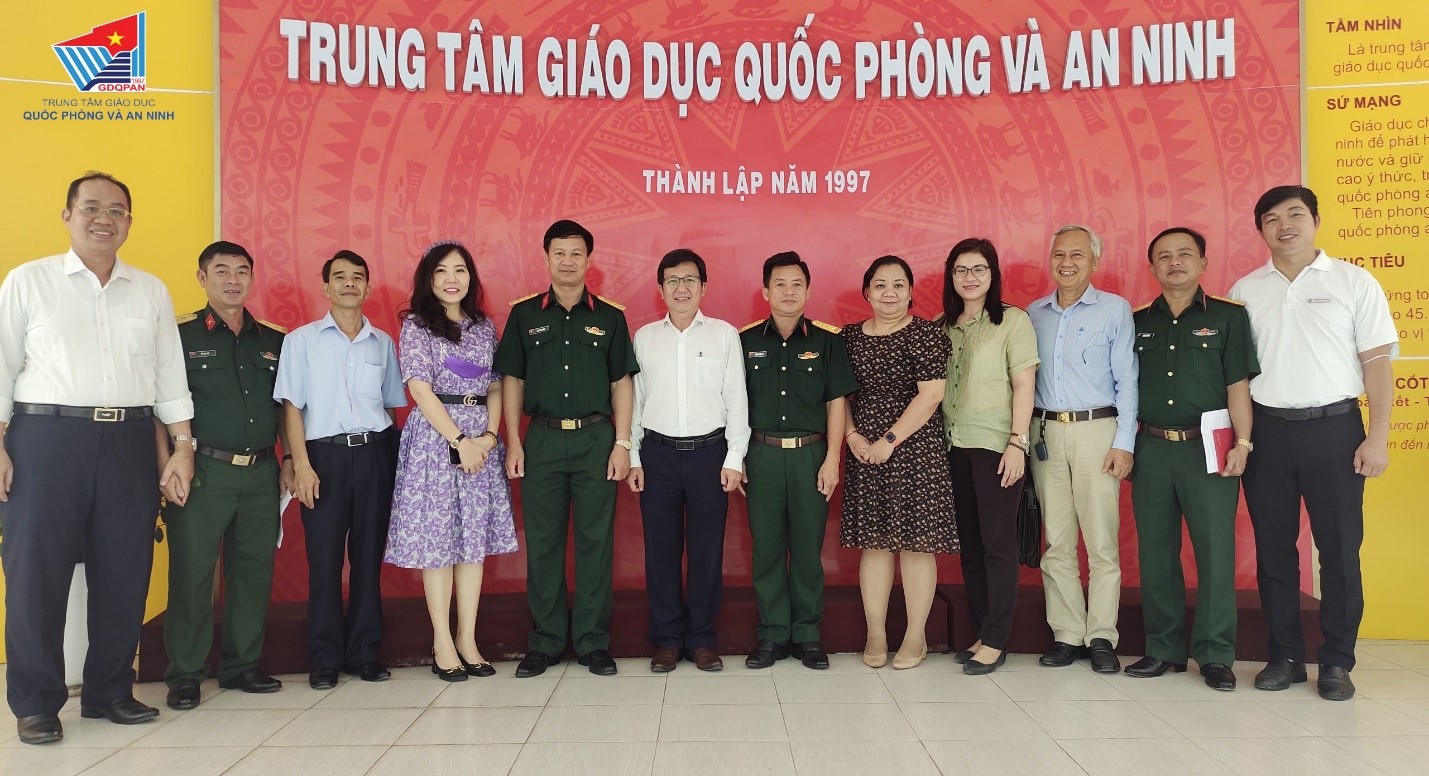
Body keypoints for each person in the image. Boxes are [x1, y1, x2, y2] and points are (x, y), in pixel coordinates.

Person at [0, 172, 194, 744]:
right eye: (91, 208)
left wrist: (182, 448)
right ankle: (36, 703)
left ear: (129, 222)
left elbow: (169, 376)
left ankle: (109, 691)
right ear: (67, 215)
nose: (103, 219)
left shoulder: (149, 290)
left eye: (116, 210)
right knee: (36, 573)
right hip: (46, 438)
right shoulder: (29, 281)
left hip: (130, 440)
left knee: (125, 568)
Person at [1229, 185, 1397, 701]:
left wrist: (1378, 437)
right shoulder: (1245, 290)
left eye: (1295, 215)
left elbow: (1377, 364)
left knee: (1340, 550)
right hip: (1267, 432)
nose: (1285, 226)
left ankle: (1337, 661)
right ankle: (1284, 655)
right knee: (1274, 550)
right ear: (1260, 230)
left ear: (1316, 220)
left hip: (1335, 430)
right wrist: (1243, 440)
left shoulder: (1353, 281)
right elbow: (1236, 376)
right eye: (1272, 219)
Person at [494, 220, 639, 678]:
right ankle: (546, 641)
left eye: (576, 253)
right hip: (543, 439)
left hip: (597, 439)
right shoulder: (524, 315)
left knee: (596, 543)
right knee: (543, 543)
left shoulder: (610, 317)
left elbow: (621, 382)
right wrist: (514, 441)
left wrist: (622, 443)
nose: (568, 261)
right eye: (559, 253)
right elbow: (512, 380)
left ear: (589, 260)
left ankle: (593, 641)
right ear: (546, 258)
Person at [1126, 227, 1258, 692]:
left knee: (1215, 551)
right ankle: (1163, 649)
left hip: (1210, 449)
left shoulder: (1228, 316)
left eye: (1185, 254)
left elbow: (1238, 386)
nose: (1175, 262)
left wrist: (1244, 443)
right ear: (1152, 268)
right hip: (1151, 448)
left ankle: (1215, 654)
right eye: (1164, 256)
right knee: (1156, 552)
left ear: (1203, 262)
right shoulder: (1136, 321)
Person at [164, 241, 292, 710]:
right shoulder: (178, 335)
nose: (232, 280)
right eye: (221, 271)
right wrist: (167, 463)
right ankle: (185, 673)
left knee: (253, 572)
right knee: (193, 573)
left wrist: (289, 460)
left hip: (260, 472)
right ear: (202, 278)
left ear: (252, 278)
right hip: (203, 471)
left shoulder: (274, 340)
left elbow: (287, 405)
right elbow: (161, 405)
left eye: (241, 270)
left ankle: (242, 666)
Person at [384, 241, 518, 681]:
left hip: (481, 442)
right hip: (436, 440)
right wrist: (459, 440)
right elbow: (419, 390)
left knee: (472, 542)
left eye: (459, 270)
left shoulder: (484, 326)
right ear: (429, 278)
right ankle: (442, 641)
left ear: (470, 277)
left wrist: (488, 437)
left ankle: (468, 639)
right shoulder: (417, 326)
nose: (451, 279)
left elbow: (495, 385)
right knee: (439, 543)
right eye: (441, 271)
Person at [273, 250, 405, 690]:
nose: (350, 284)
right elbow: (291, 408)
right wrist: (301, 464)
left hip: (373, 456)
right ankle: (325, 658)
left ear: (367, 287)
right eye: (340, 277)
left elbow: (390, 407)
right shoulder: (301, 341)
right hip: (322, 459)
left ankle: (365, 653)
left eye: (358, 277)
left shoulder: (382, 343)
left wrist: (390, 466)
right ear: (326, 286)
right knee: (325, 563)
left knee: (368, 559)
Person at [626, 249, 749, 673]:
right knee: (660, 552)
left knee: (706, 551)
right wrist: (634, 455)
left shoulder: (723, 335)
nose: (682, 288)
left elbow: (737, 400)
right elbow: (635, 401)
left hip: (709, 456)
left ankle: (701, 638)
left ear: (704, 287)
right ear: (660, 289)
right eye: (673, 280)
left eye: (690, 279)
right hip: (657, 457)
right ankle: (667, 639)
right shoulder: (645, 338)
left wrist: (734, 458)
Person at [1026, 224, 1138, 673]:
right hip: (1046, 433)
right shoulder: (1033, 313)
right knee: (1056, 540)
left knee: (1101, 541)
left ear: (1094, 261)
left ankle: (1102, 636)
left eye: (1077, 255)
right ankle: (1067, 634)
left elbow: (1128, 380)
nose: (1066, 263)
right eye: (1059, 254)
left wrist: (1124, 443)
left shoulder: (1114, 309)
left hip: (1098, 431)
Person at [740, 252, 858, 670]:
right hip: (761, 455)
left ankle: (807, 634)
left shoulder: (828, 341)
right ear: (765, 291)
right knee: (767, 550)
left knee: (808, 549)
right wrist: (738, 457)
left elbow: (836, 402)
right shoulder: (745, 342)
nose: (788, 292)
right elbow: (733, 403)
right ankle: (773, 634)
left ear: (807, 291)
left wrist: (832, 459)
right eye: (780, 284)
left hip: (811, 455)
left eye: (796, 285)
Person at [842, 255, 956, 670]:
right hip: (865, 450)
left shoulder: (925, 334)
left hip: (915, 450)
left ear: (910, 293)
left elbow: (932, 395)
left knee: (915, 545)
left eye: (898, 285)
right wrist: (853, 436)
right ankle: (876, 632)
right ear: (867, 292)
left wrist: (890, 440)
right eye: (880, 285)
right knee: (874, 544)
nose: (889, 293)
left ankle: (915, 636)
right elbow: (838, 395)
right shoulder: (849, 337)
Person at [940, 239, 1039, 676]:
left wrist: (1018, 442)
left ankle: (997, 638)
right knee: (972, 546)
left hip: (997, 447)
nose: (970, 277)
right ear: (951, 276)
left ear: (992, 274)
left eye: (978, 269)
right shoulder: (942, 326)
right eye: (961, 270)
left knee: (998, 544)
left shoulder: (1013, 321)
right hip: (952, 446)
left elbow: (1024, 384)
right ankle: (983, 631)